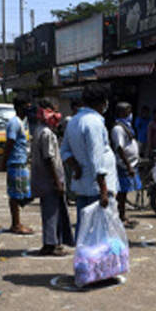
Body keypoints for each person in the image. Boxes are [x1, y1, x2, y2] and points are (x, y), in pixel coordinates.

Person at [61, 84, 116, 240]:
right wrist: (104, 190)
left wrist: (75, 167)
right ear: (102, 102)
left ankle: (84, 261)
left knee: (84, 228)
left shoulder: (73, 121)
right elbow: (96, 158)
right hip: (96, 188)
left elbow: (64, 150)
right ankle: (95, 263)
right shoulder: (94, 123)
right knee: (99, 233)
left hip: (82, 185)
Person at [31, 100, 71, 256]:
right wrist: (57, 182)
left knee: (52, 211)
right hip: (49, 180)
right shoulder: (46, 133)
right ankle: (50, 243)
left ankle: (53, 241)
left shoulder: (40, 130)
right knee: (51, 212)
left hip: (45, 179)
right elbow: (48, 158)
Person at [2, 96, 34, 235]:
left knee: (24, 193)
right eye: (26, 106)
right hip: (16, 162)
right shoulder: (14, 123)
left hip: (22, 161)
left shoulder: (23, 122)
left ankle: (17, 221)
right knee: (15, 195)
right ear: (20, 107)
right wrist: (3, 160)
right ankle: (16, 224)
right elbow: (10, 142)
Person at [111, 102, 142, 229]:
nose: (130, 114)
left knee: (125, 192)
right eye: (128, 112)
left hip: (131, 163)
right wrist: (128, 165)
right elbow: (119, 148)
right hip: (123, 165)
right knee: (121, 192)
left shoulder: (126, 126)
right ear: (121, 113)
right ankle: (119, 217)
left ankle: (122, 215)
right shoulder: (118, 128)